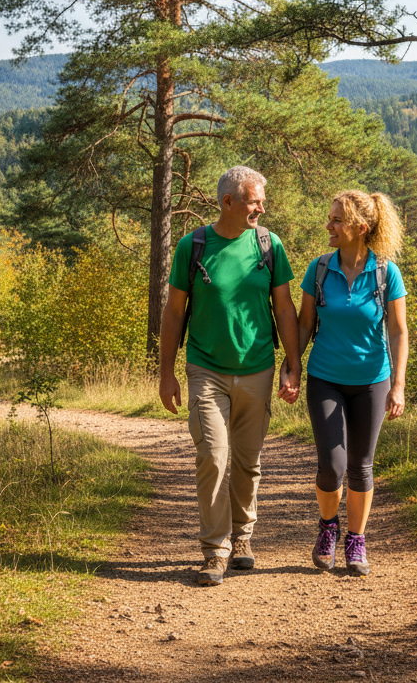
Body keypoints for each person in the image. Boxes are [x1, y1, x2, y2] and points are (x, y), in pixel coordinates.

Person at [159, 166, 301, 586]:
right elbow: (173, 312)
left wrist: (293, 366)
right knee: (213, 457)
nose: (262, 207)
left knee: (247, 462)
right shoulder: (194, 246)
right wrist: (166, 374)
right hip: (206, 370)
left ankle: (243, 538)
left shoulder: (269, 245)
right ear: (228, 203)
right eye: (255, 200)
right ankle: (216, 550)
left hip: (257, 368)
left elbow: (284, 309)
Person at [280, 190, 409, 576]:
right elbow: (305, 325)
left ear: (360, 228)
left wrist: (399, 385)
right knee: (332, 467)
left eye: (337, 220)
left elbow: (399, 332)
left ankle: (356, 539)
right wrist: (292, 367)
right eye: (331, 218)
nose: (329, 225)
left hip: (373, 382)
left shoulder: (386, 273)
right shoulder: (319, 269)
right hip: (326, 378)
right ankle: (326, 528)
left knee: (361, 466)